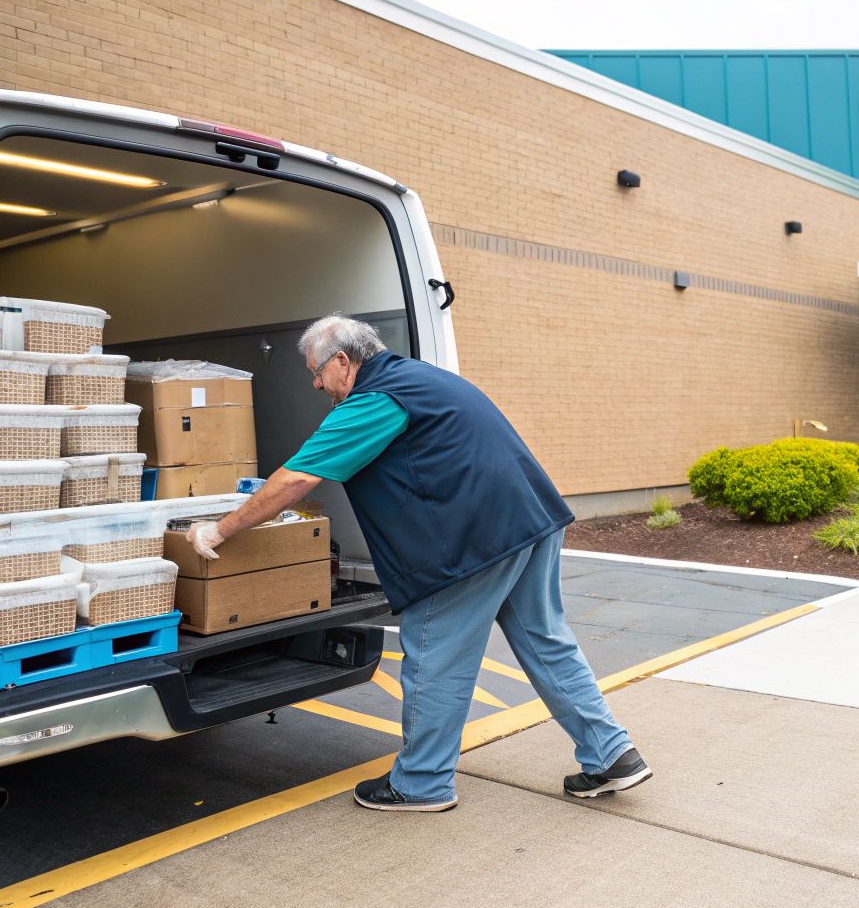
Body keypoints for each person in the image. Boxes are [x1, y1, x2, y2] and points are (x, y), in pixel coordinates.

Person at [185, 314, 650, 811]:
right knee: (547, 643)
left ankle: (421, 783)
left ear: (344, 361)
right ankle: (611, 753)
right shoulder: (423, 378)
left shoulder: (375, 400)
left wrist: (220, 529)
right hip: (529, 520)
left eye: (317, 372)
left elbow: (297, 479)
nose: (317, 383)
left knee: (436, 657)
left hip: (471, 543)